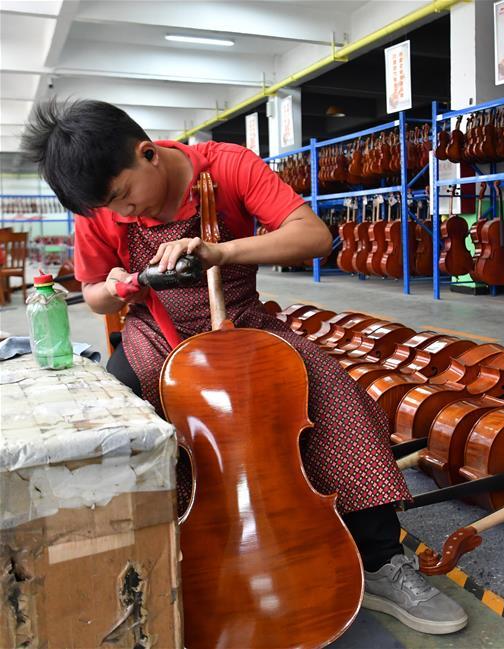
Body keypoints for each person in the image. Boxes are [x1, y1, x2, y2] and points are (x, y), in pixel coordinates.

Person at [22, 99, 467, 636]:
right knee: (121, 432)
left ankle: (379, 563)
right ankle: (156, 567)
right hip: (154, 336)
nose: (124, 216)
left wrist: (222, 252)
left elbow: (315, 236)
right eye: (109, 209)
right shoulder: (99, 208)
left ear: (148, 154)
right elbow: (92, 294)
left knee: (335, 402)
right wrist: (115, 288)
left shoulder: (227, 165)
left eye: (123, 197)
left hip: (243, 326)